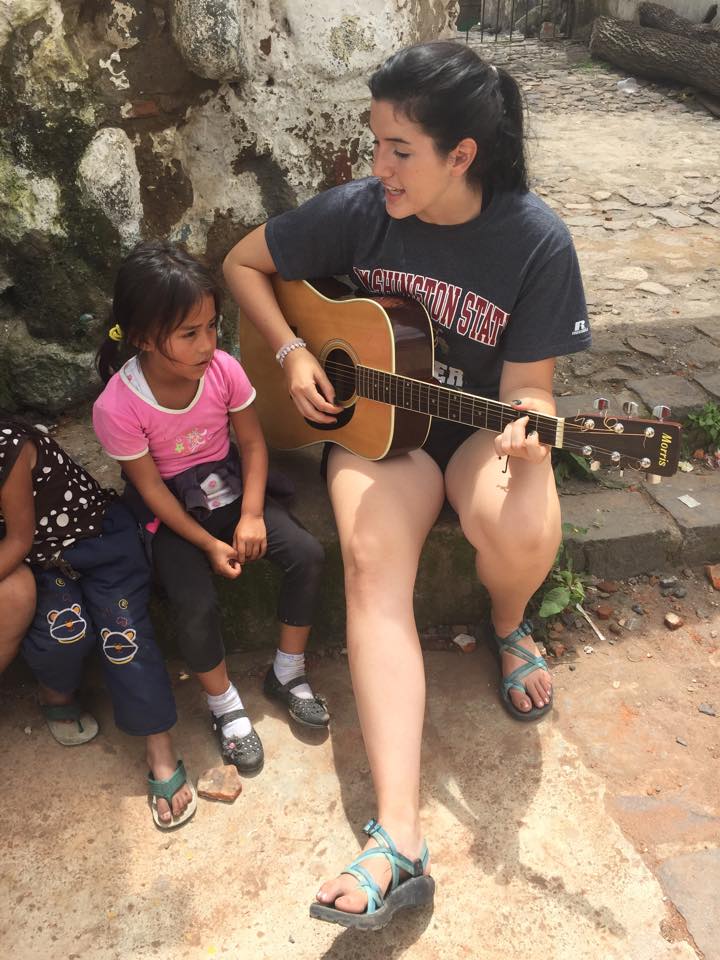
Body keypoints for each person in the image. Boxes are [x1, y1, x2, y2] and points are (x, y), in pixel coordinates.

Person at [223, 40, 591, 927]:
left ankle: (509, 622)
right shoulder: (361, 212)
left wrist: (532, 429)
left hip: (474, 429)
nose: (379, 166)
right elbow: (241, 262)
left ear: (461, 155)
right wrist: (293, 349)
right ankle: (398, 837)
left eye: (400, 150)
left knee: (521, 523)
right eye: (376, 142)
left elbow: (529, 385)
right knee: (371, 563)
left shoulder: (534, 240)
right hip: (381, 433)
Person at [93, 241, 329, 777]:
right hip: (171, 514)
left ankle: (287, 672)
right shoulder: (118, 406)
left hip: (229, 488)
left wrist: (251, 515)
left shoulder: (223, 370)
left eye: (211, 327)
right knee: (194, 601)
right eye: (189, 334)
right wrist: (207, 543)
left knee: (308, 554)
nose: (207, 345)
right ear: (143, 337)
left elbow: (253, 446)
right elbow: (151, 491)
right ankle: (224, 703)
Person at [0, 415, 196, 829]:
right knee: (63, 633)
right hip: (40, 560)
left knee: (122, 633)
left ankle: (159, 744)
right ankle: (56, 693)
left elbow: (17, 539)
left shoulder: (8, 446)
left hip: (96, 539)